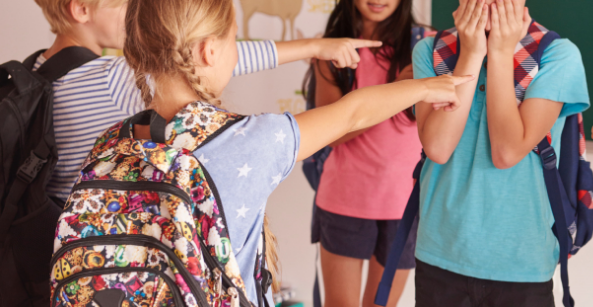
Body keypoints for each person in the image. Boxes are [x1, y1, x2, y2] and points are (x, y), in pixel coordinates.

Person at [116, 0, 472, 306]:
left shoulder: (114, 142)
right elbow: (351, 113)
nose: (241, 53)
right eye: (235, 41)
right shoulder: (252, 139)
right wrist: (420, 86)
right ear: (209, 52)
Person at [32, 0, 387, 203]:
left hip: (55, 251)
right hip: (101, 255)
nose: (133, 10)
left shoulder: (36, 70)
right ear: (81, 9)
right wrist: (312, 47)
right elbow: (199, 59)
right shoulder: (110, 78)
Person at [413, 0, 590, 306]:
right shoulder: (429, 51)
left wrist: (499, 52)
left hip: (522, 264)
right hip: (441, 254)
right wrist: (470, 53)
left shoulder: (558, 55)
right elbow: (438, 148)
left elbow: (507, 152)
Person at [304, 0, 433, 306]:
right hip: (343, 201)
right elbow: (331, 132)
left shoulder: (426, 44)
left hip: (406, 206)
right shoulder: (332, 51)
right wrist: (395, 91)